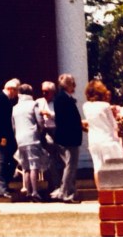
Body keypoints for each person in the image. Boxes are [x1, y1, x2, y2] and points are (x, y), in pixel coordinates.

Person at [50, 73, 85, 203]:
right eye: (72, 83)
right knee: (70, 165)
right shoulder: (62, 99)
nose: (74, 86)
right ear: (67, 85)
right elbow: (66, 120)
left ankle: (69, 191)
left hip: (68, 137)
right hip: (68, 138)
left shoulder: (65, 98)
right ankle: (64, 193)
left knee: (70, 166)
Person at [82, 80, 122, 188]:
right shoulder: (105, 105)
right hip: (107, 140)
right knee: (111, 167)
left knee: (97, 167)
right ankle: (112, 190)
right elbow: (114, 125)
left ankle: (100, 192)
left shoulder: (86, 106)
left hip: (93, 140)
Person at [12, 82, 48, 201]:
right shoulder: (33, 104)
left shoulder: (15, 108)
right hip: (32, 137)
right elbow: (40, 121)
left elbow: (13, 125)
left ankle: (27, 191)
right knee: (34, 165)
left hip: (20, 138)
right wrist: (41, 129)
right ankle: (35, 192)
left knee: (25, 166)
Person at [0, 78, 19, 199]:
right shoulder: (0, 99)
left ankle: (4, 185)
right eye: (16, 91)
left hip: (6, 136)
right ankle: (1, 188)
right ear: (11, 89)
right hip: (2, 136)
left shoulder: (2, 99)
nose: (16, 94)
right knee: (1, 160)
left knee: (10, 160)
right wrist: (1, 136)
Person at [34, 81, 61, 195]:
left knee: (56, 158)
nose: (44, 94)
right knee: (48, 158)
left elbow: (61, 116)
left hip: (55, 130)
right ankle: (52, 184)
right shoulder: (38, 102)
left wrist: (50, 114)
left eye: (47, 92)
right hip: (43, 131)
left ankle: (57, 184)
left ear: (52, 92)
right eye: (43, 91)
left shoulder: (57, 102)